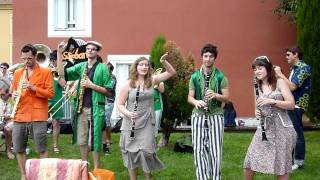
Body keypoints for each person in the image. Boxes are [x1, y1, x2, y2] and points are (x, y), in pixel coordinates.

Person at [117, 54, 176, 180]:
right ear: (136, 67)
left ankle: (148, 178)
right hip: (131, 121)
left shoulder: (153, 80)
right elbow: (120, 105)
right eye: (141, 64)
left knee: (146, 152)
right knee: (131, 153)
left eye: (146, 65)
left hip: (147, 121)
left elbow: (171, 72)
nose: (144, 67)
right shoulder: (127, 84)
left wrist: (163, 61)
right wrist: (128, 113)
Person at [57, 40, 113, 169]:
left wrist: (91, 86)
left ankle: (97, 169)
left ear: (97, 51)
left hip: (95, 108)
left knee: (95, 140)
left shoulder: (103, 68)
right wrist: (60, 54)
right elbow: (62, 74)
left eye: (93, 49)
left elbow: (109, 92)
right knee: (82, 139)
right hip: (81, 108)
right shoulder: (81, 66)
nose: (90, 51)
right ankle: (84, 166)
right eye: (88, 49)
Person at [243, 56, 297, 180]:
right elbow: (257, 107)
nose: (257, 71)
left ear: (268, 68)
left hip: (282, 128)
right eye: (255, 69)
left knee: (281, 167)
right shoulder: (256, 85)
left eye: (260, 68)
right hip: (265, 127)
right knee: (249, 162)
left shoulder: (279, 82)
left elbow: (291, 104)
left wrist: (271, 101)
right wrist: (257, 113)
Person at [11, 44, 54, 180]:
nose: (26, 62)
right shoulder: (18, 73)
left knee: (41, 148)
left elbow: (50, 93)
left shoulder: (46, 71)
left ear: (35, 56)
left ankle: (43, 176)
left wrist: (33, 88)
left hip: (38, 115)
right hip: (20, 114)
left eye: (29, 59)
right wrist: (13, 95)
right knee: (18, 148)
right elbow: (14, 91)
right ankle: (24, 175)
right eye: (23, 59)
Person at [188, 43, 229, 180]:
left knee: (215, 150)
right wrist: (196, 102)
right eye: (205, 56)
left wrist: (216, 95)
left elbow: (227, 98)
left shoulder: (220, 76)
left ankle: (216, 177)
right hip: (198, 116)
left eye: (211, 56)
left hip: (215, 115)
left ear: (214, 58)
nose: (208, 59)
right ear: (202, 57)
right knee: (199, 150)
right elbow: (190, 97)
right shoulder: (194, 77)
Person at [274, 46, 311, 170]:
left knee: (297, 133)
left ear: (296, 55)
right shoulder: (294, 68)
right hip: (291, 104)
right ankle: (289, 161)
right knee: (290, 133)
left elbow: (292, 87)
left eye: (288, 55)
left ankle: (299, 162)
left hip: (297, 105)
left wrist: (280, 74)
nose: (286, 57)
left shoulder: (303, 68)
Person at [48, 50, 66, 153]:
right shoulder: (45, 70)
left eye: (54, 60)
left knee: (55, 124)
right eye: (51, 60)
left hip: (56, 100)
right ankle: (42, 144)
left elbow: (63, 85)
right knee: (40, 123)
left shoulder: (60, 72)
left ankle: (55, 146)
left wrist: (55, 73)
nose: (52, 62)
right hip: (45, 99)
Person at [102, 62, 117, 155]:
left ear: (111, 70)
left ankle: (108, 139)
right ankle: (106, 139)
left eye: (106, 69)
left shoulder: (112, 78)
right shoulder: (105, 77)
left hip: (109, 101)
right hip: (103, 101)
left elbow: (108, 89)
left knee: (106, 121)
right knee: (104, 121)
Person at [0, 87, 15, 159]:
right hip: (1, 121)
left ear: (8, 94)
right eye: (0, 94)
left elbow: (16, 114)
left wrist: (8, 117)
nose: (1, 96)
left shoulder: (13, 101)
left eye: (2, 94)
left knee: (7, 129)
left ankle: (9, 151)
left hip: (11, 121)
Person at [151, 62, 165, 136]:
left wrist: (156, 86)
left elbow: (162, 90)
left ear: (153, 69)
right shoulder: (143, 78)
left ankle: (154, 146)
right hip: (146, 106)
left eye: (150, 68)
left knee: (155, 128)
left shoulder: (158, 78)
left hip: (156, 106)